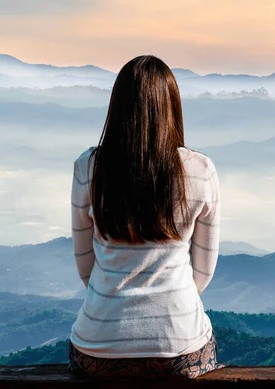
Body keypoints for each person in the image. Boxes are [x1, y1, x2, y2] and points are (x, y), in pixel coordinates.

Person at [68, 55, 222, 379]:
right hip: (179, 347)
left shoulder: (89, 168)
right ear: (172, 107)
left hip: (97, 349)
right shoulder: (200, 171)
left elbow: (85, 268)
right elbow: (202, 275)